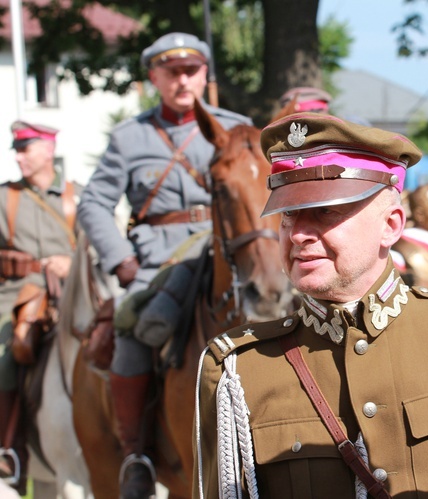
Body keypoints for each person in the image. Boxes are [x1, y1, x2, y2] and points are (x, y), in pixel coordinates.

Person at [193, 113, 428, 498]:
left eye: (326, 211)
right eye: (288, 214)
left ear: (391, 225)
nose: (299, 235)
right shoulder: (239, 372)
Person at [76, 32, 252, 498]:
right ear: (153, 77)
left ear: (204, 75)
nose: (182, 80)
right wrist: (122, 260)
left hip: (221, 255)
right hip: (156, 261)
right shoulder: (130, 137)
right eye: (171, 72)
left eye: (191, 70)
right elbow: (93, 203)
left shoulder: (236, 127)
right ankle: (136, 454)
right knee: (133, 325)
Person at [0, 121, 78, 494]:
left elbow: (98, 249)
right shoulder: (5, 198)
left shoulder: (75, 197)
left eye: (24, 148)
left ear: (47, 150)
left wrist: (70, 262)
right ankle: (8, 449)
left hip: (71, 295)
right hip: (17, 296)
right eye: (16, 149)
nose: (17, 156)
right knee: (6, 353)